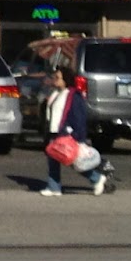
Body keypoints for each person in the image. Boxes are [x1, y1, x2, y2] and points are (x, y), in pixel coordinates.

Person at [41, 64, 106, 197]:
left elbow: (79, 116)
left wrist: (78, 136)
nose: (55, 80)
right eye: (55, 77)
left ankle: (96, 178)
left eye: (58, 78)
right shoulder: (55, 93)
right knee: (53, 159)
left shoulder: (73, 95)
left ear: (66, 79)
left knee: (73, 160)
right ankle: (54, 187)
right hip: (54, 132)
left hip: (67, 134)